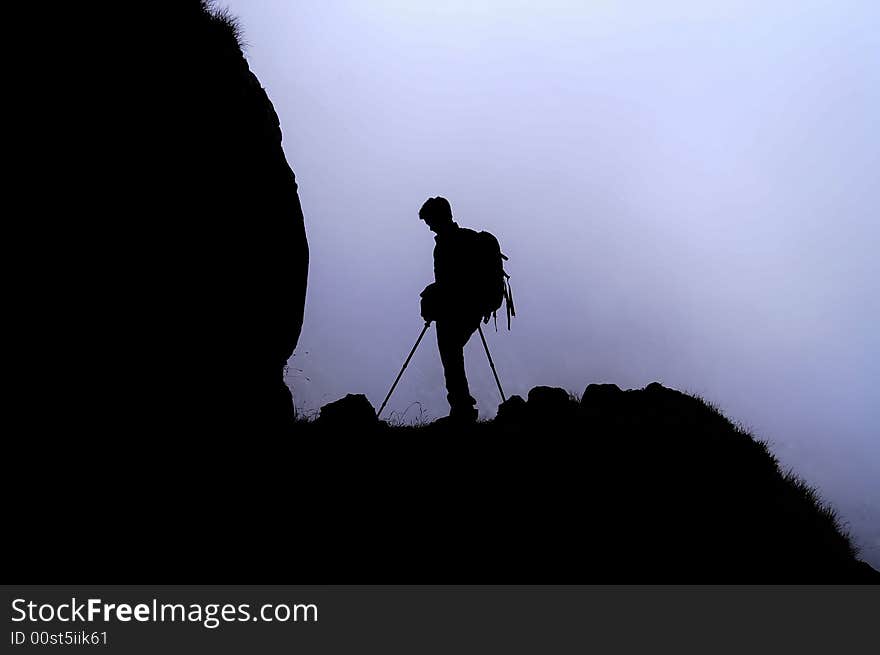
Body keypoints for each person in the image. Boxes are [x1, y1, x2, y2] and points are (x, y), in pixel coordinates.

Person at [418, 196, 491, 422]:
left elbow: (450, 282)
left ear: (438, 217)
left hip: (455, 311)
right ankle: (462, 406)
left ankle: (462, 409)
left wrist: (433, 297)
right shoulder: (466, 239)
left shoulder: (448, 244)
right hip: (471, 308)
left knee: (451, 356)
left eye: (430, 221)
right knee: (452, 356)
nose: (429, 226)